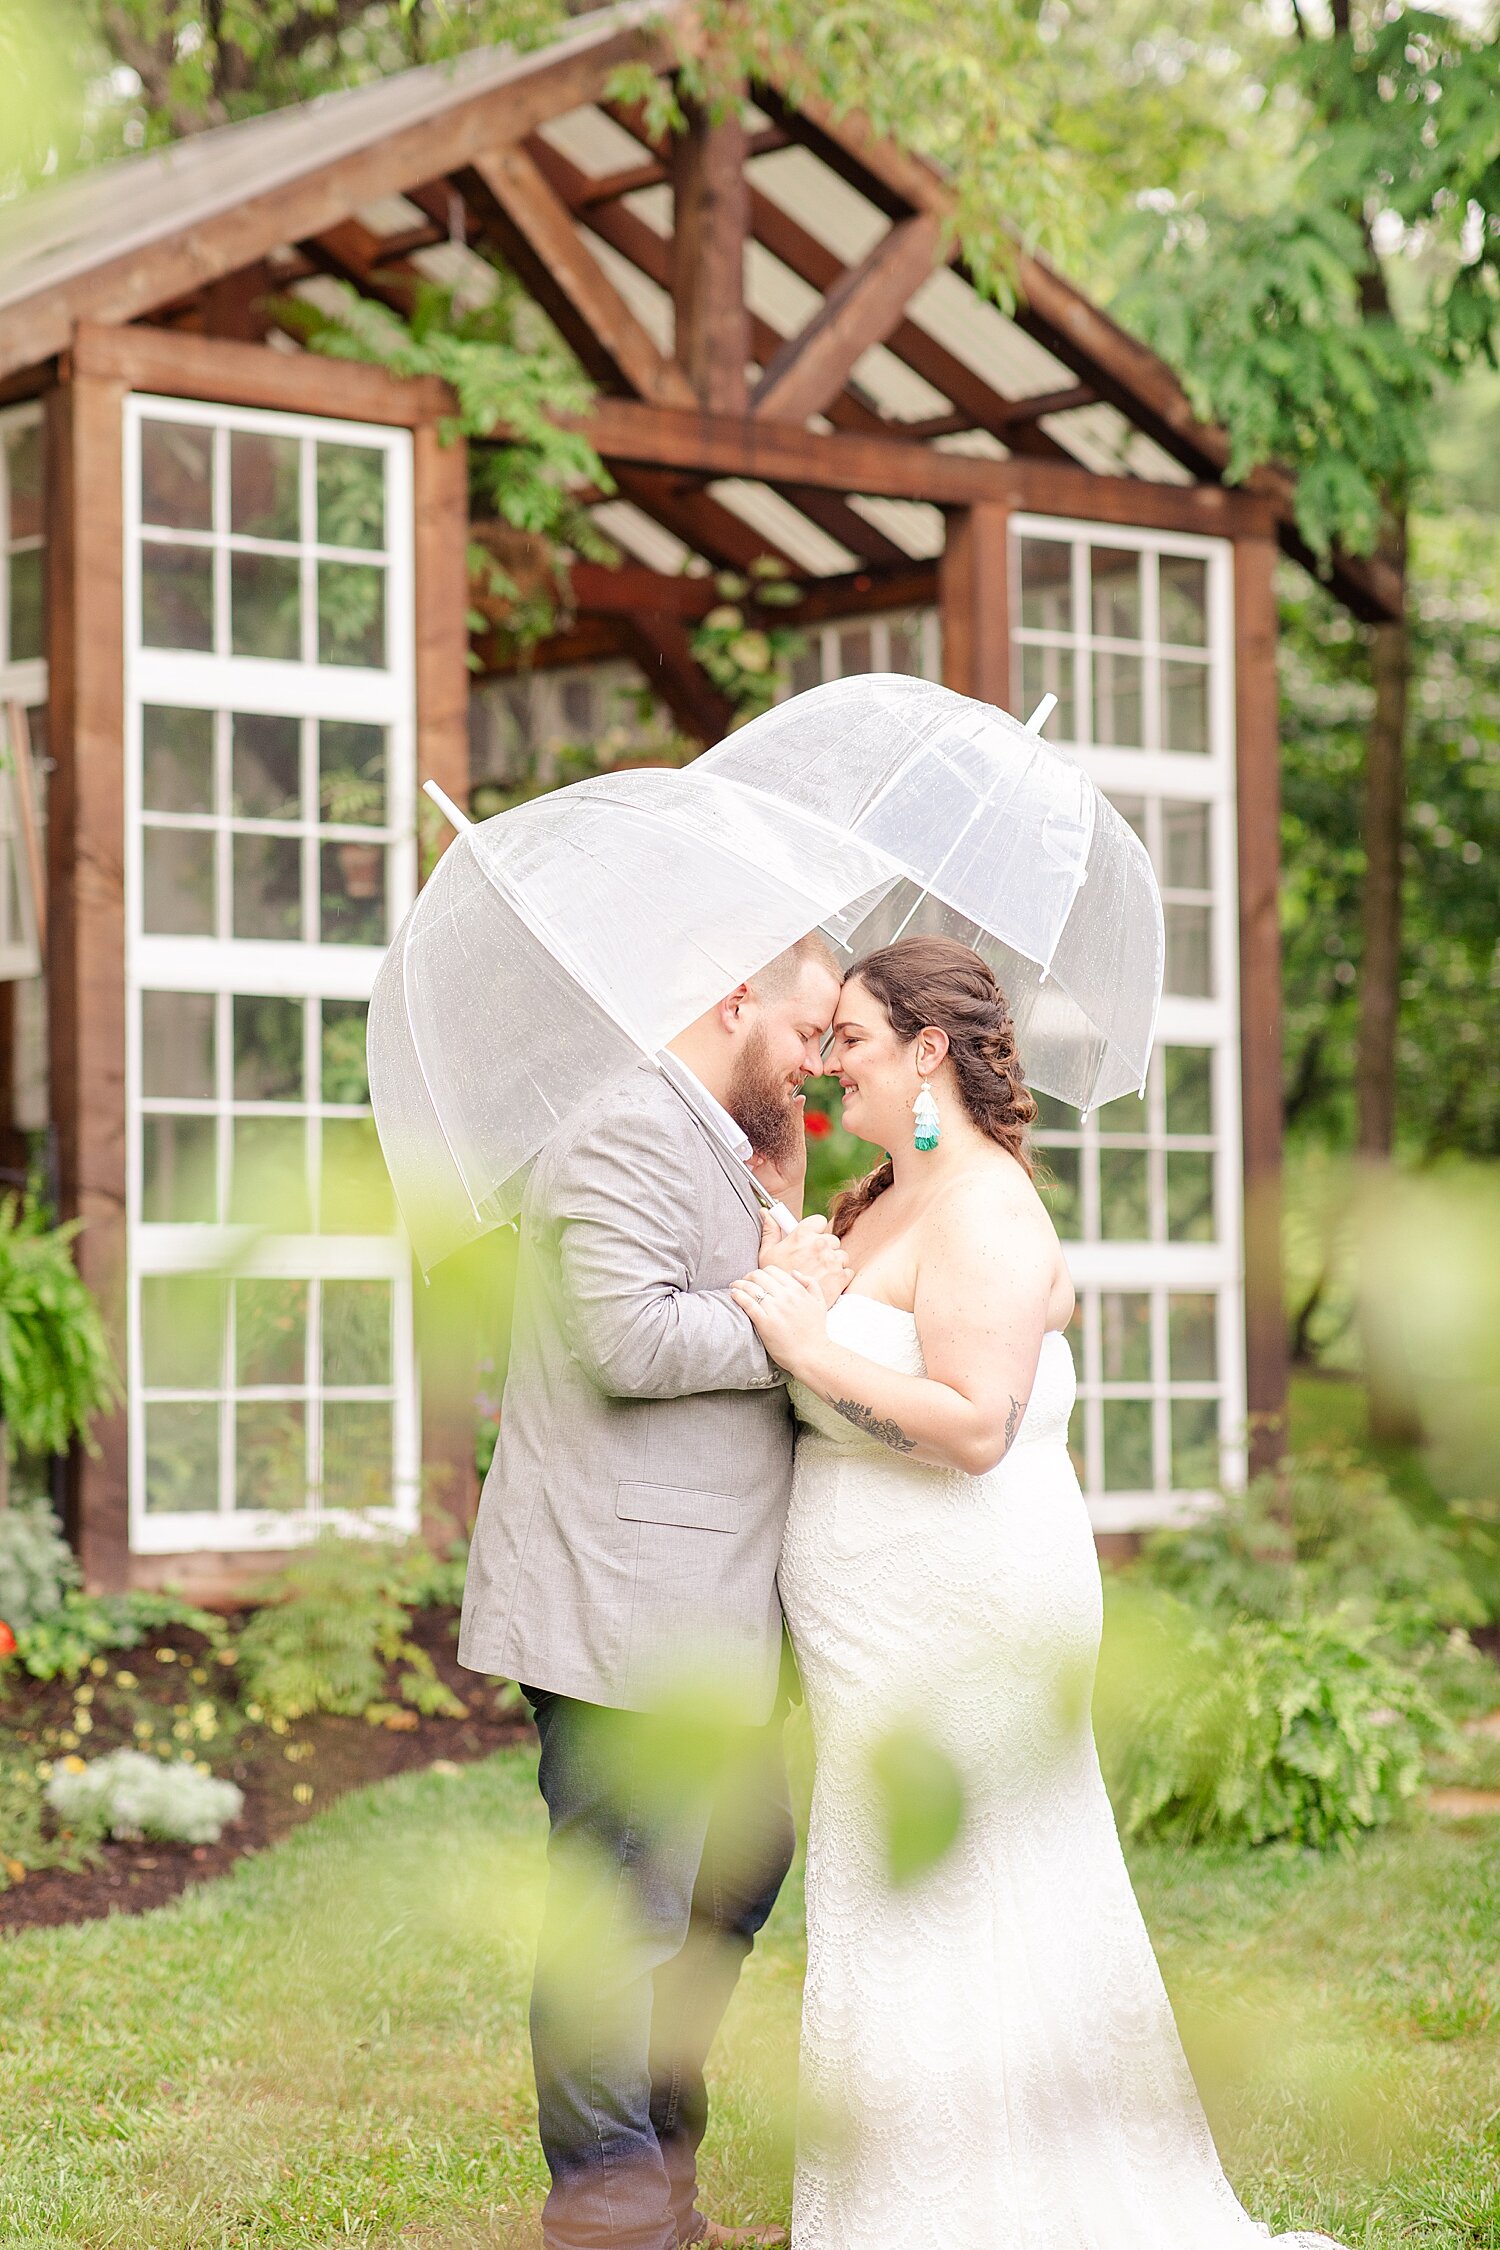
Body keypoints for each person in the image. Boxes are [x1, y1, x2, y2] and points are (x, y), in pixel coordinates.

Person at [732, 935, 1341, 2250]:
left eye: (853, 1039)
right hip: (876, 1632)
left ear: (929, 1049)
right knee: (896, 1892)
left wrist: (800, 1345)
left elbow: (972, 1426)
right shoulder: (890, 1189)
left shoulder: (984, 1203)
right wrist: (804, 1268)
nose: (829, 1063)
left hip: (960, 1616)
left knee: (971, 1890)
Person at [459, 933, 847, 2250]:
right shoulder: (624, 1127)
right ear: (732, 995)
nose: (815, 1064)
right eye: (805, 1033)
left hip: (711, 1614)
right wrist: (777, 1306)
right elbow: (628, 1338)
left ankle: (658, 2161)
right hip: (621, 1600)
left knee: (732, 1876)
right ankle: (616, 2209)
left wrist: (780, 1213)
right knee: (620, 1921)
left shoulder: (730, 1143)